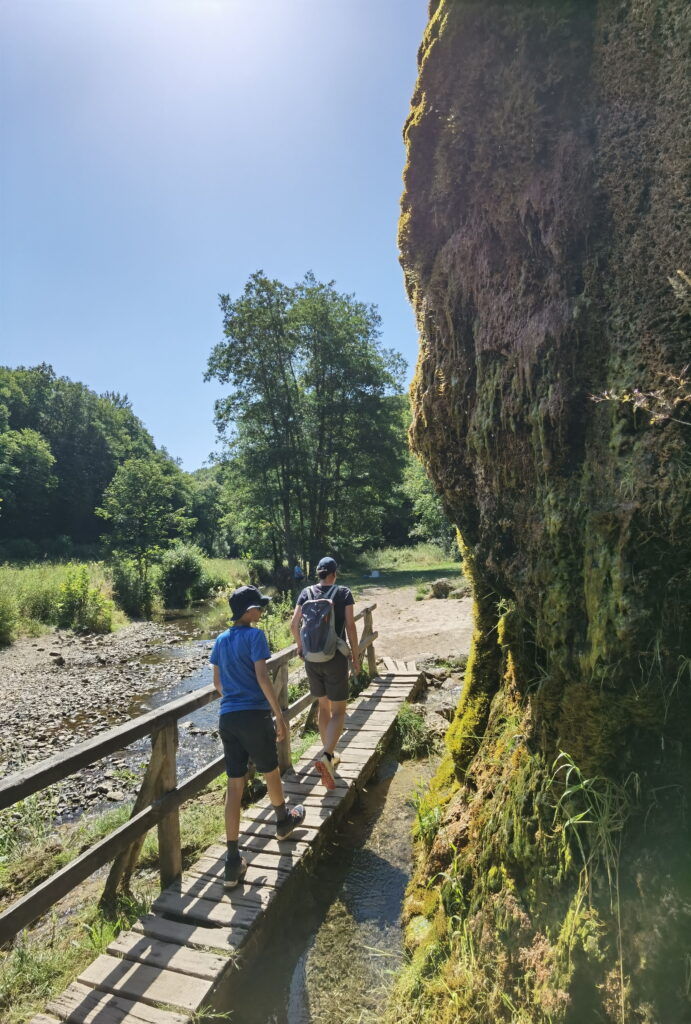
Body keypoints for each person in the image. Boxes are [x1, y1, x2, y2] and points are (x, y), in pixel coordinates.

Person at [211, 584, 305, 889]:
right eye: (258, 607)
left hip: (228, 717)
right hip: (253, 715)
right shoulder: (254, 636)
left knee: (235, 785)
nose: (261, 611)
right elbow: (263, 676)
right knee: (270, 771)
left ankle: (232, 860)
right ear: (246, 612)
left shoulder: (221, 639)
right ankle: (282, 822)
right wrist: (278, 714)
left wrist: (234, 697)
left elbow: (217, 683)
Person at [291, 557, 360, 790]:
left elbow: (293, 625)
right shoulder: (343, 593)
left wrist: (301, 647)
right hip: (335, 658)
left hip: (312, 659)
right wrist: (356, 657)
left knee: (324, 707)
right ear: (334, 573)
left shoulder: (306, 592)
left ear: (319, 574)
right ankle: (327, 755)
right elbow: (350, 626)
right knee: (339, 710)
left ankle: (328, 758)